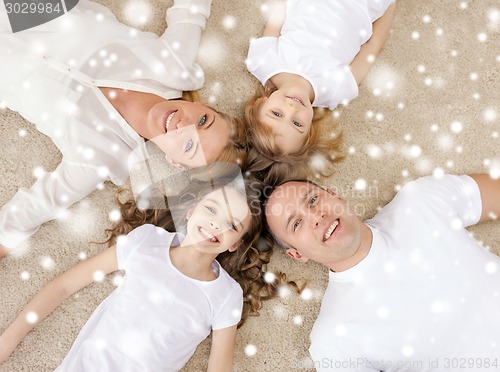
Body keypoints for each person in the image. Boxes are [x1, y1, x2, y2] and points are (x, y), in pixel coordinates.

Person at [0, 0, 247, 258]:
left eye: (189, 145)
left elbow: (25, 215)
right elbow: (191, 8)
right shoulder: (174, 64)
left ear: (175, 162)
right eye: (203, 120)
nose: (182, 125)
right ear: (206, 106)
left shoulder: (100, 157)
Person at [0, 173, 296, 371]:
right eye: (211, 209)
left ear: (235, 245)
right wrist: (9, 340)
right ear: (191, 211)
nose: (217, 224)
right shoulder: (148, 242)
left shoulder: (225, 296)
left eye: (232, 225)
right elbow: (64, 287)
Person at [263, 173, 500, 370]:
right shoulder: (334, 338)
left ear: (336, 196)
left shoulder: (419, 200)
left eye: (313, 200)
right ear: (297, 254)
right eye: (296, 223)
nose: (315, 216)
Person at [244, 0, 396, 183]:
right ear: (309, 130)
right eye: (297, 123)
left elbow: (279, 10)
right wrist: (389, 6)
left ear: (260, 103)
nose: (291, 108)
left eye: (277, 113)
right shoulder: (335, 91)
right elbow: (372, 47)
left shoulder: (263, 62)